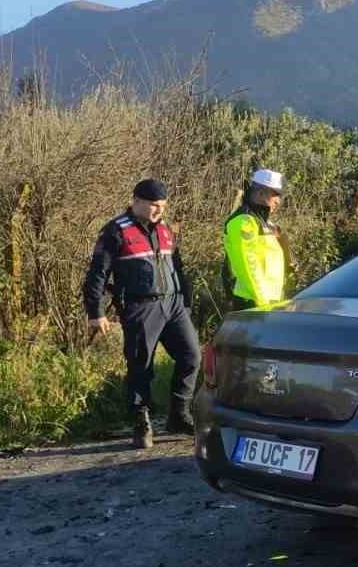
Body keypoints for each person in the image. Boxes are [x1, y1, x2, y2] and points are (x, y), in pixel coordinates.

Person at [82, 178, 200, 449]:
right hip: (140, 307)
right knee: (140, 366)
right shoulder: (115, 231)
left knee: (192, 356)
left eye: (163, 206)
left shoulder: (166, 230)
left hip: (173, 304)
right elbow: (97, 274)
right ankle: (141, 422)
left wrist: (187, 303)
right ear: (136, 201)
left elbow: (178, 268)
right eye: (153, 206)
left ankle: (179, 415)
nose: (159, 211)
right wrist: (95, 311)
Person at [224, 169, 291, 310]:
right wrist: (264, 305)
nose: (279, 201)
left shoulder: (265, 223)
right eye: (276, 195)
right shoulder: (243, 222)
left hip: (271, 302)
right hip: (253, 303)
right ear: (260, 193)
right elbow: (249, 266)